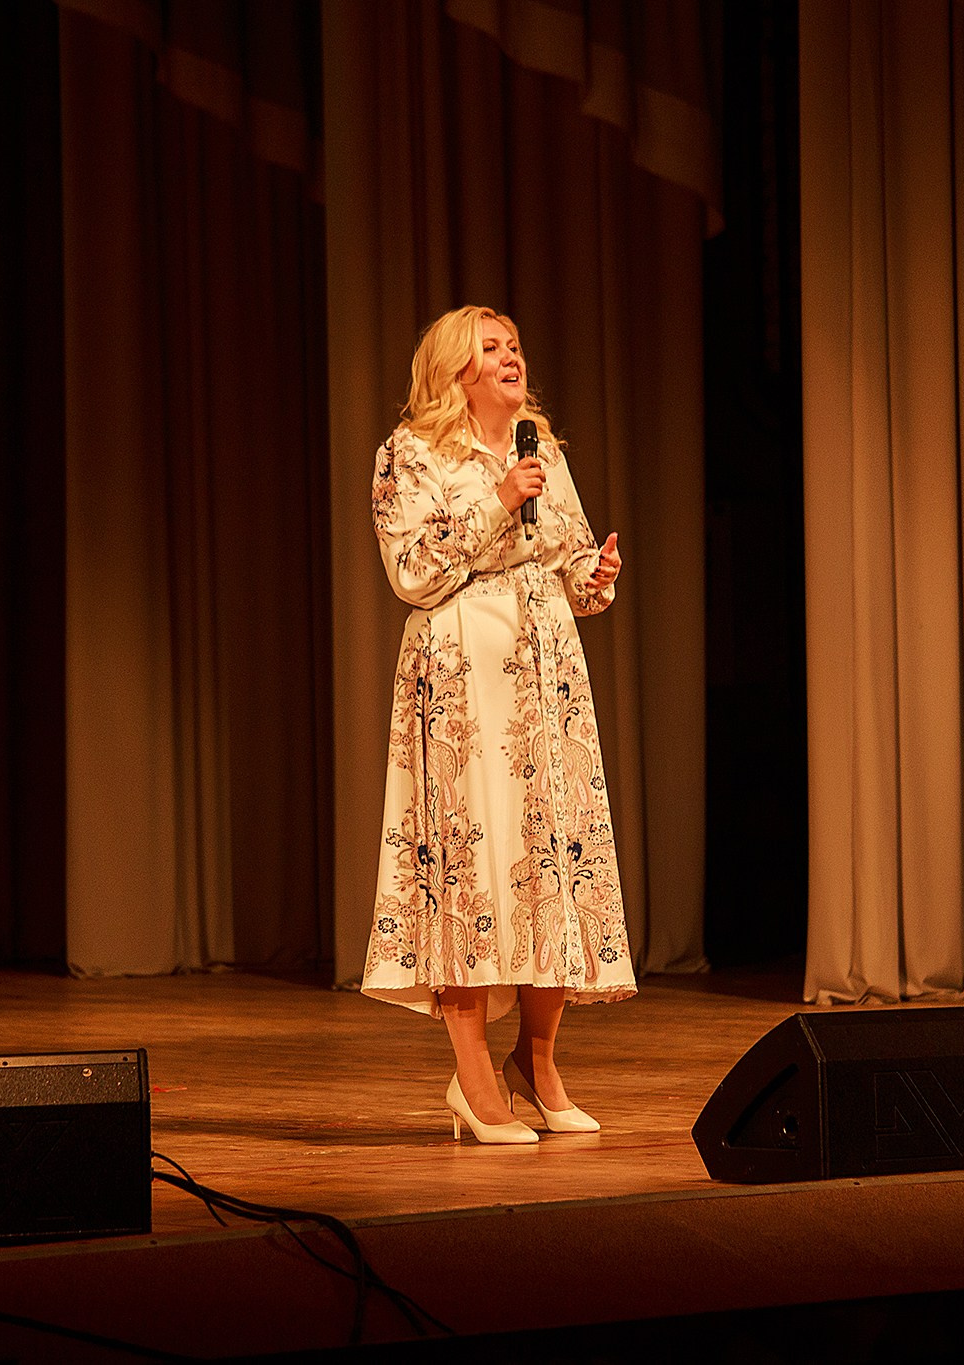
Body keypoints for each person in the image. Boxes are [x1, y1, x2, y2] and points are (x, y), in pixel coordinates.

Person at [361, 305, 635, 1144]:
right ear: (455, 367)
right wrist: (494, 504)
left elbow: (569, 560)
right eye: (492, 346)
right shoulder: (408, 454)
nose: (511, 356)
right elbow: (412, 570)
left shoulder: (538, 447)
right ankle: (473, 1079)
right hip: (462, 682)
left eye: (515, 344)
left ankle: (538, 1059)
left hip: (547, 682)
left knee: (549, 858)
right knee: (471, 861)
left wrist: (596, 573)